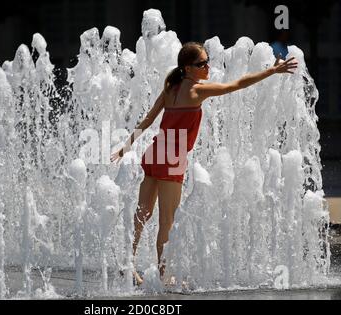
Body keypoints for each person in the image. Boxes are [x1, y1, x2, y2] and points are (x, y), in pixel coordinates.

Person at [110, 41, 297, 285]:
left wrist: (127, 146)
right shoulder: (197, 91)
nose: (207, 67)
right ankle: (165, 277)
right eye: (201, 64)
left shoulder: (171, 88)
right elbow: (237, 84)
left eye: (207, 62)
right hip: (173, 156)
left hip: (155, 151)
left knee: (141, 214)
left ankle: (126, 265)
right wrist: (271, 71)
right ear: (188, 68)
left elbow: (148, 119)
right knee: (167, 221)